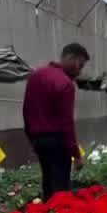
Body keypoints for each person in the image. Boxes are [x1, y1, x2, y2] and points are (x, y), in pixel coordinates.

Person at [23, 44, 89, 202]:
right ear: (71, 58)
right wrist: (76, 154)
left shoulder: (35, 75)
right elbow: (66, 122)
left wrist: (31, 138)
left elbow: (26, 109)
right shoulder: (65, 83)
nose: (80, 71)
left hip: (38, 139)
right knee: (60, 187)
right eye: (80, 65)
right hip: (57, 141)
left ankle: (47, 211)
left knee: (47, 181)